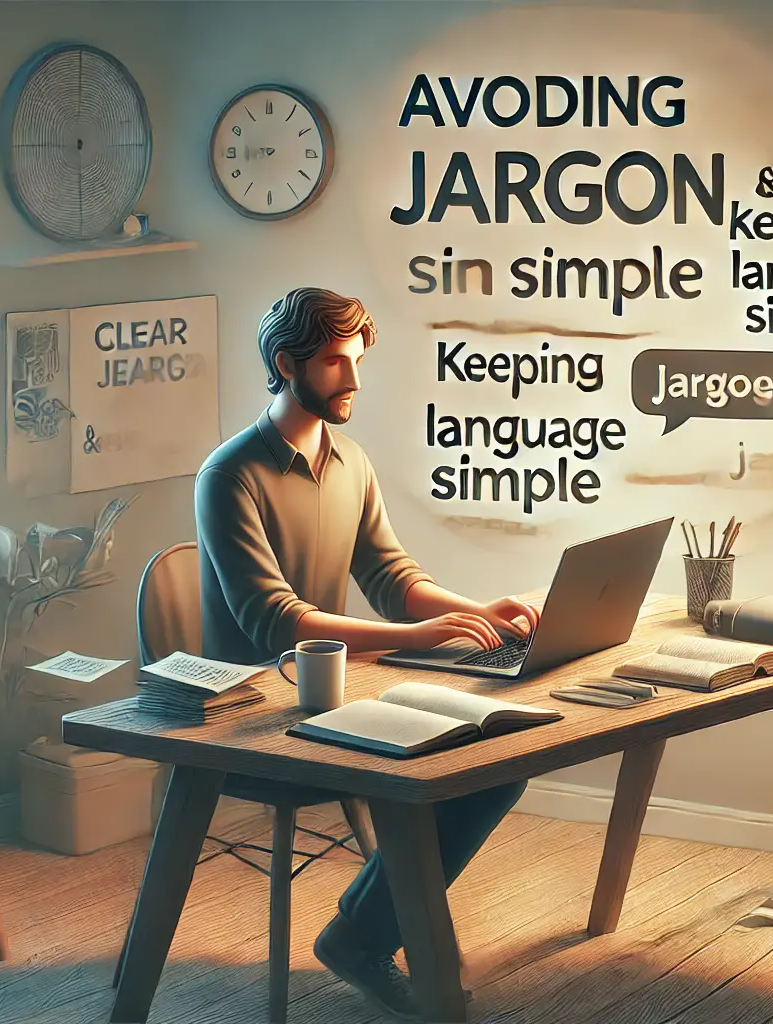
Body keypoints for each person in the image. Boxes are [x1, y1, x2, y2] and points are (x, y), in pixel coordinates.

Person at [195, 287, 535, 1019]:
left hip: (334, 692)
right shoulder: (230, 476)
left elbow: (391, 579)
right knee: (451, 764)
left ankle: (361, 931)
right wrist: (416, 642)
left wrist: (480, 612)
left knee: (495, 763)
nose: (353, 380)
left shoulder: (348, 460)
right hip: (253, 712)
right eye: (335, 362)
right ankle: (376, 933)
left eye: (356, 362)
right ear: (286, 364)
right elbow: (275, 622)